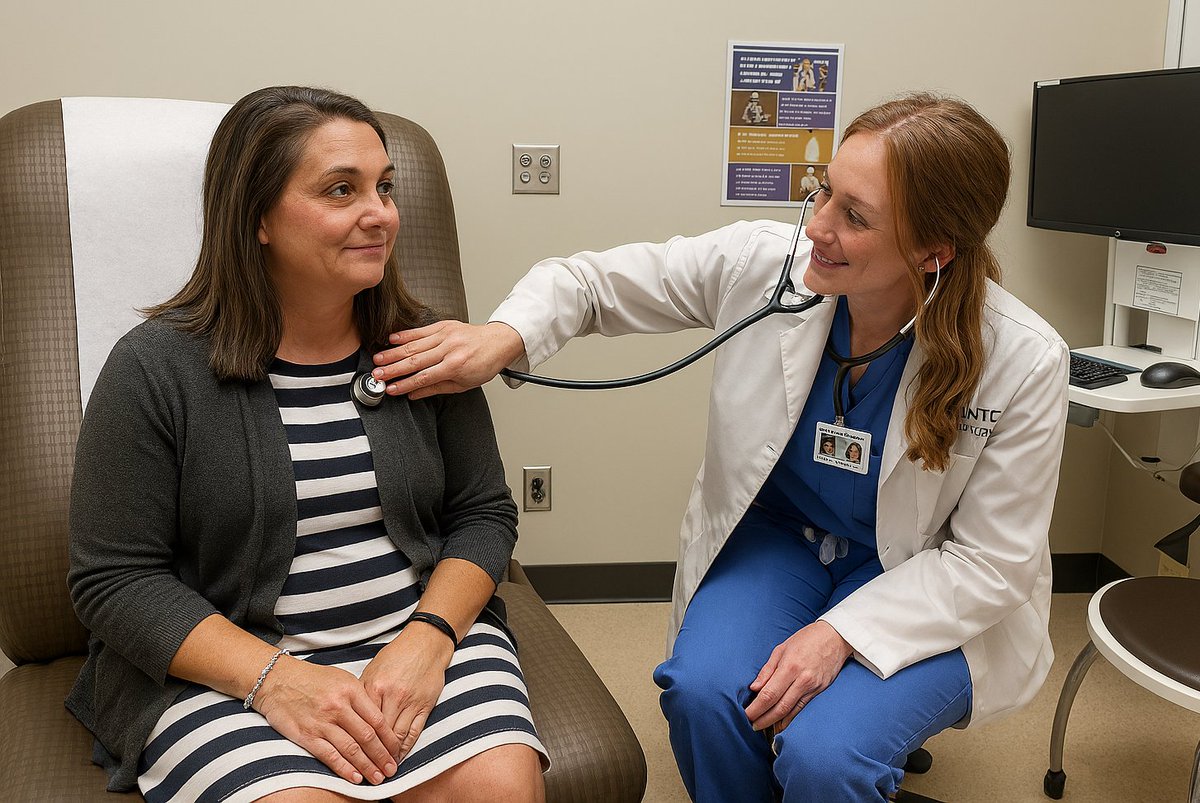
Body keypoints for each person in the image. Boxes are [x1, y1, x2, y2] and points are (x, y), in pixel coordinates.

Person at [369, 92, 1069, 801]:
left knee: (827, 757)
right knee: (704, 693)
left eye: (854, 217)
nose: (818, 228)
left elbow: (991, 561)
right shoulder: (766, 265)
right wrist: (503, 337)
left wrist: (839, 634)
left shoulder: (1024, 359)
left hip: (924, 576)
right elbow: (586, 284)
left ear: (933, 252)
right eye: (823, 191)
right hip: (779, 540)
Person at [66, 86, 546, 803]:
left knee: (501, 785)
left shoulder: (425, 347)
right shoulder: (153, 369)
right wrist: (276, 680)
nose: (379, 213)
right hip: (231, 667)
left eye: (384, 187)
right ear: (257, 216)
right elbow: (113, 579)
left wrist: (430, 637)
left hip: (416, 634)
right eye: (340, 190)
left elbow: (482, 515)